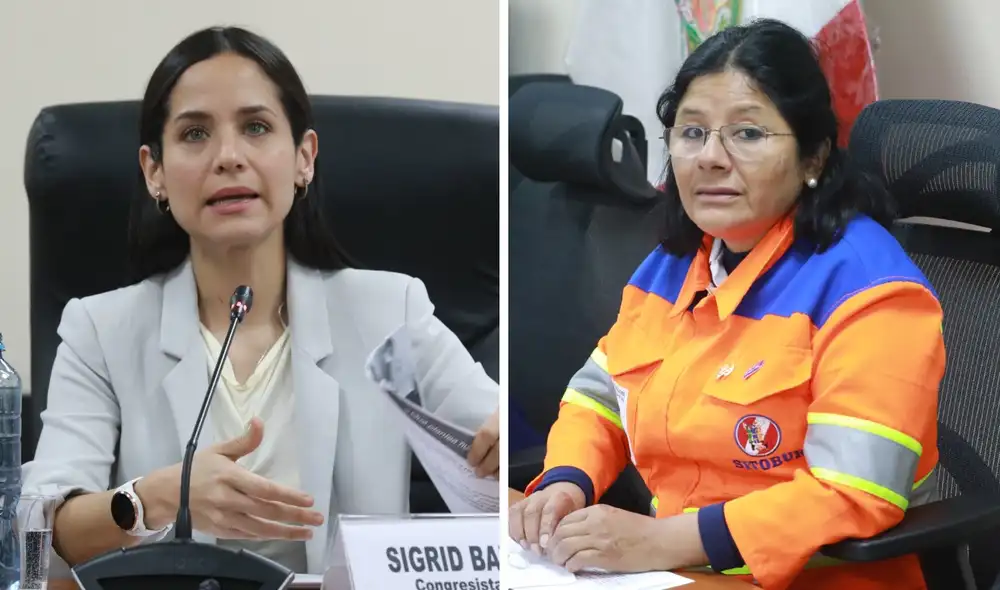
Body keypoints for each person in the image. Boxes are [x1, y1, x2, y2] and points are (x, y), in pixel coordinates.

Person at [23, 26, 500, 578]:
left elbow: (501, 443)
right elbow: (37, 534)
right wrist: (151, 499)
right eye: (195, 134)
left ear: (304, 158)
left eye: (256, 128)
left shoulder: (390, 312)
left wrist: (502, 440)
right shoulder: (100, 331)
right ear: (154, 172)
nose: (228, 157)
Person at [508, 18, 943, 590]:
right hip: (670, 571)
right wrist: (568, 479)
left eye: (748, 134)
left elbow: (853, 493)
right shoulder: (672, 265)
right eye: (691, 133)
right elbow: (601, 394)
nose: (709, 157)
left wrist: (661, 540)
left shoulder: (871, 291)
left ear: (813, 159)